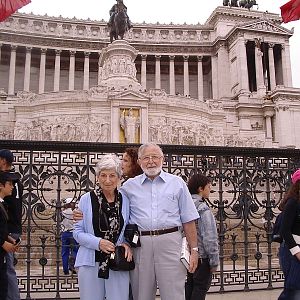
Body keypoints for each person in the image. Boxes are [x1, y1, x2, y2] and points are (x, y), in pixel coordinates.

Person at [121, 142, 199, 300]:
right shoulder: (129, 186)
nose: (151, 161)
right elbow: (114, 208)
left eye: (155, 157)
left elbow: (188, 219)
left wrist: (195, 250)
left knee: (174, 294)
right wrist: (81, 210)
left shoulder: (177, 183)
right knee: (141, 294)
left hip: (170, 243)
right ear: (139, 161)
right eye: (146, 158)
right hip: (140, 245)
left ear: (162, 159)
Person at [73, 154, 132, 300]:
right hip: (90, 261)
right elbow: (77, 233)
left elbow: (128, 227)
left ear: (119, 178)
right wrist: (98, 243)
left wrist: (126, 243)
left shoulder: (125, 200)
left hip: (116, 260)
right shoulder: (86, 199)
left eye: (112, 175)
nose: (107, 180)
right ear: (97, 177)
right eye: (103, 175)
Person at [185, 174, 219, 300]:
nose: (209, 190)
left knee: (189, 288)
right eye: (208, 187)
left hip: (187, 255)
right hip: (202, 256)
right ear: (200, 188)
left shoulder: (185, 205)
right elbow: (210, 237)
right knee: (200, 289)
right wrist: (214, 260)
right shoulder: (202, 208)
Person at [0, 149, 23, 300]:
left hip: (6, 231)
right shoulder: (17, 181)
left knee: (7, 269)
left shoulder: (8, 180)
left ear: (2, 161)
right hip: (12, 229)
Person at [278, 169, 300, 300]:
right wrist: (297, 252)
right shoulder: (292, 202)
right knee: (293, 289)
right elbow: (285, 230)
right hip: (292, 251)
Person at [61, 197, 78, 275]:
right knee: (75, 250)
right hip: (73, 233)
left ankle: (65, 270)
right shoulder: (75, 212)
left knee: (65, 252)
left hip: (64, 233)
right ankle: (72, 265)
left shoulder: (62, 212)